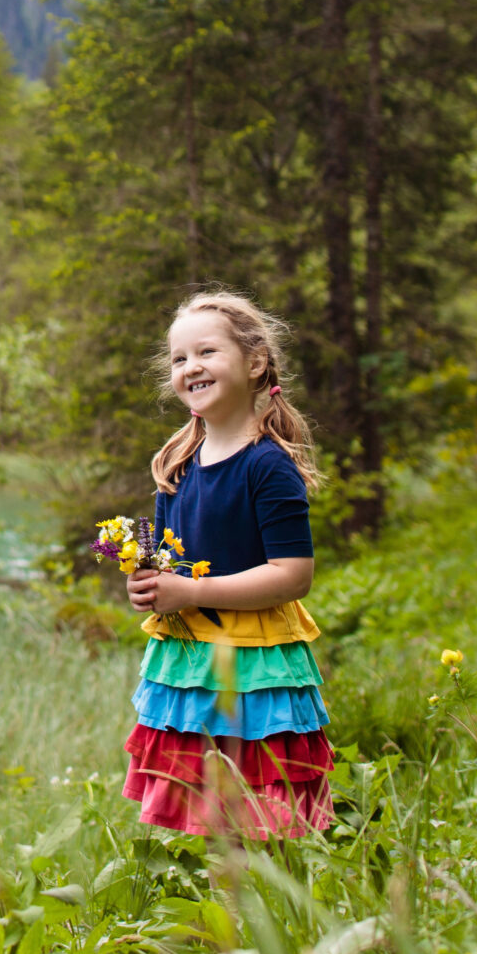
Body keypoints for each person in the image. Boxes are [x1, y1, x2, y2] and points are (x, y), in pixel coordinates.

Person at [122, 290, 335, 837]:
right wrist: (145, 581)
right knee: (208, 812)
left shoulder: (267, 465)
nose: (191, 367)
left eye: (207, 352)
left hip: (255, 663)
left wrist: (191, 593)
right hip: (189, 658)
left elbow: (293, 576)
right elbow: (164, 559)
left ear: (256, 362)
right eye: (178, 358)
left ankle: (272, 913)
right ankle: (227, 913)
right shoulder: (177, 465)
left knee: (262, 811)